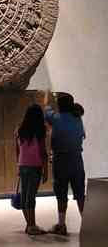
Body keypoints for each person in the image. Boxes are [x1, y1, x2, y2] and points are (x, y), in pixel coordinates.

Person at [43, 91, 86, 236]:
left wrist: (48, 96)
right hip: (77, 160)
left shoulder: (55, 118)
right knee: (80, 194)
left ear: (59, 105)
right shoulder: (78, 118)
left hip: (61, 160)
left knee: (61, 193)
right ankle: (88, 226)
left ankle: (61, 225)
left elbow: (46, 108)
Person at [15, 104, 48, 235]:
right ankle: (32, 226)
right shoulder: (40, 131)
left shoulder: (19, 130)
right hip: (35, 166)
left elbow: (17, 150)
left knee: (24, 196)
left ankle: (29, 225)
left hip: (23, 165)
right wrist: (46, 171)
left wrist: (18, 165)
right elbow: (43, 152)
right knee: (31, 196)